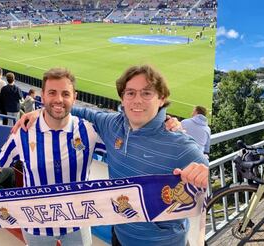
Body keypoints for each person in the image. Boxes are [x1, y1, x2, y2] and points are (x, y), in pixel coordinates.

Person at [15, 64, 208, 246]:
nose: (137, 100)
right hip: (120, 235)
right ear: (122, 99)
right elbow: (79, 110)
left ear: (162, 98)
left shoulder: (179, 142)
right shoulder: (112, 124)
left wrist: (203, 173)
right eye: (130, 93)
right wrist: (41, 112)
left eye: (147, 93)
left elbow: (211, 181)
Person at [0, 68, 105, 246]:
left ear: (75, 97)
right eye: (52, 93)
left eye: (65, 93)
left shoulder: (89, 131)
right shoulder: (24, 132)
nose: (58, 99)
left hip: (77, 222)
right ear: (43, 95)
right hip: (35, 223)